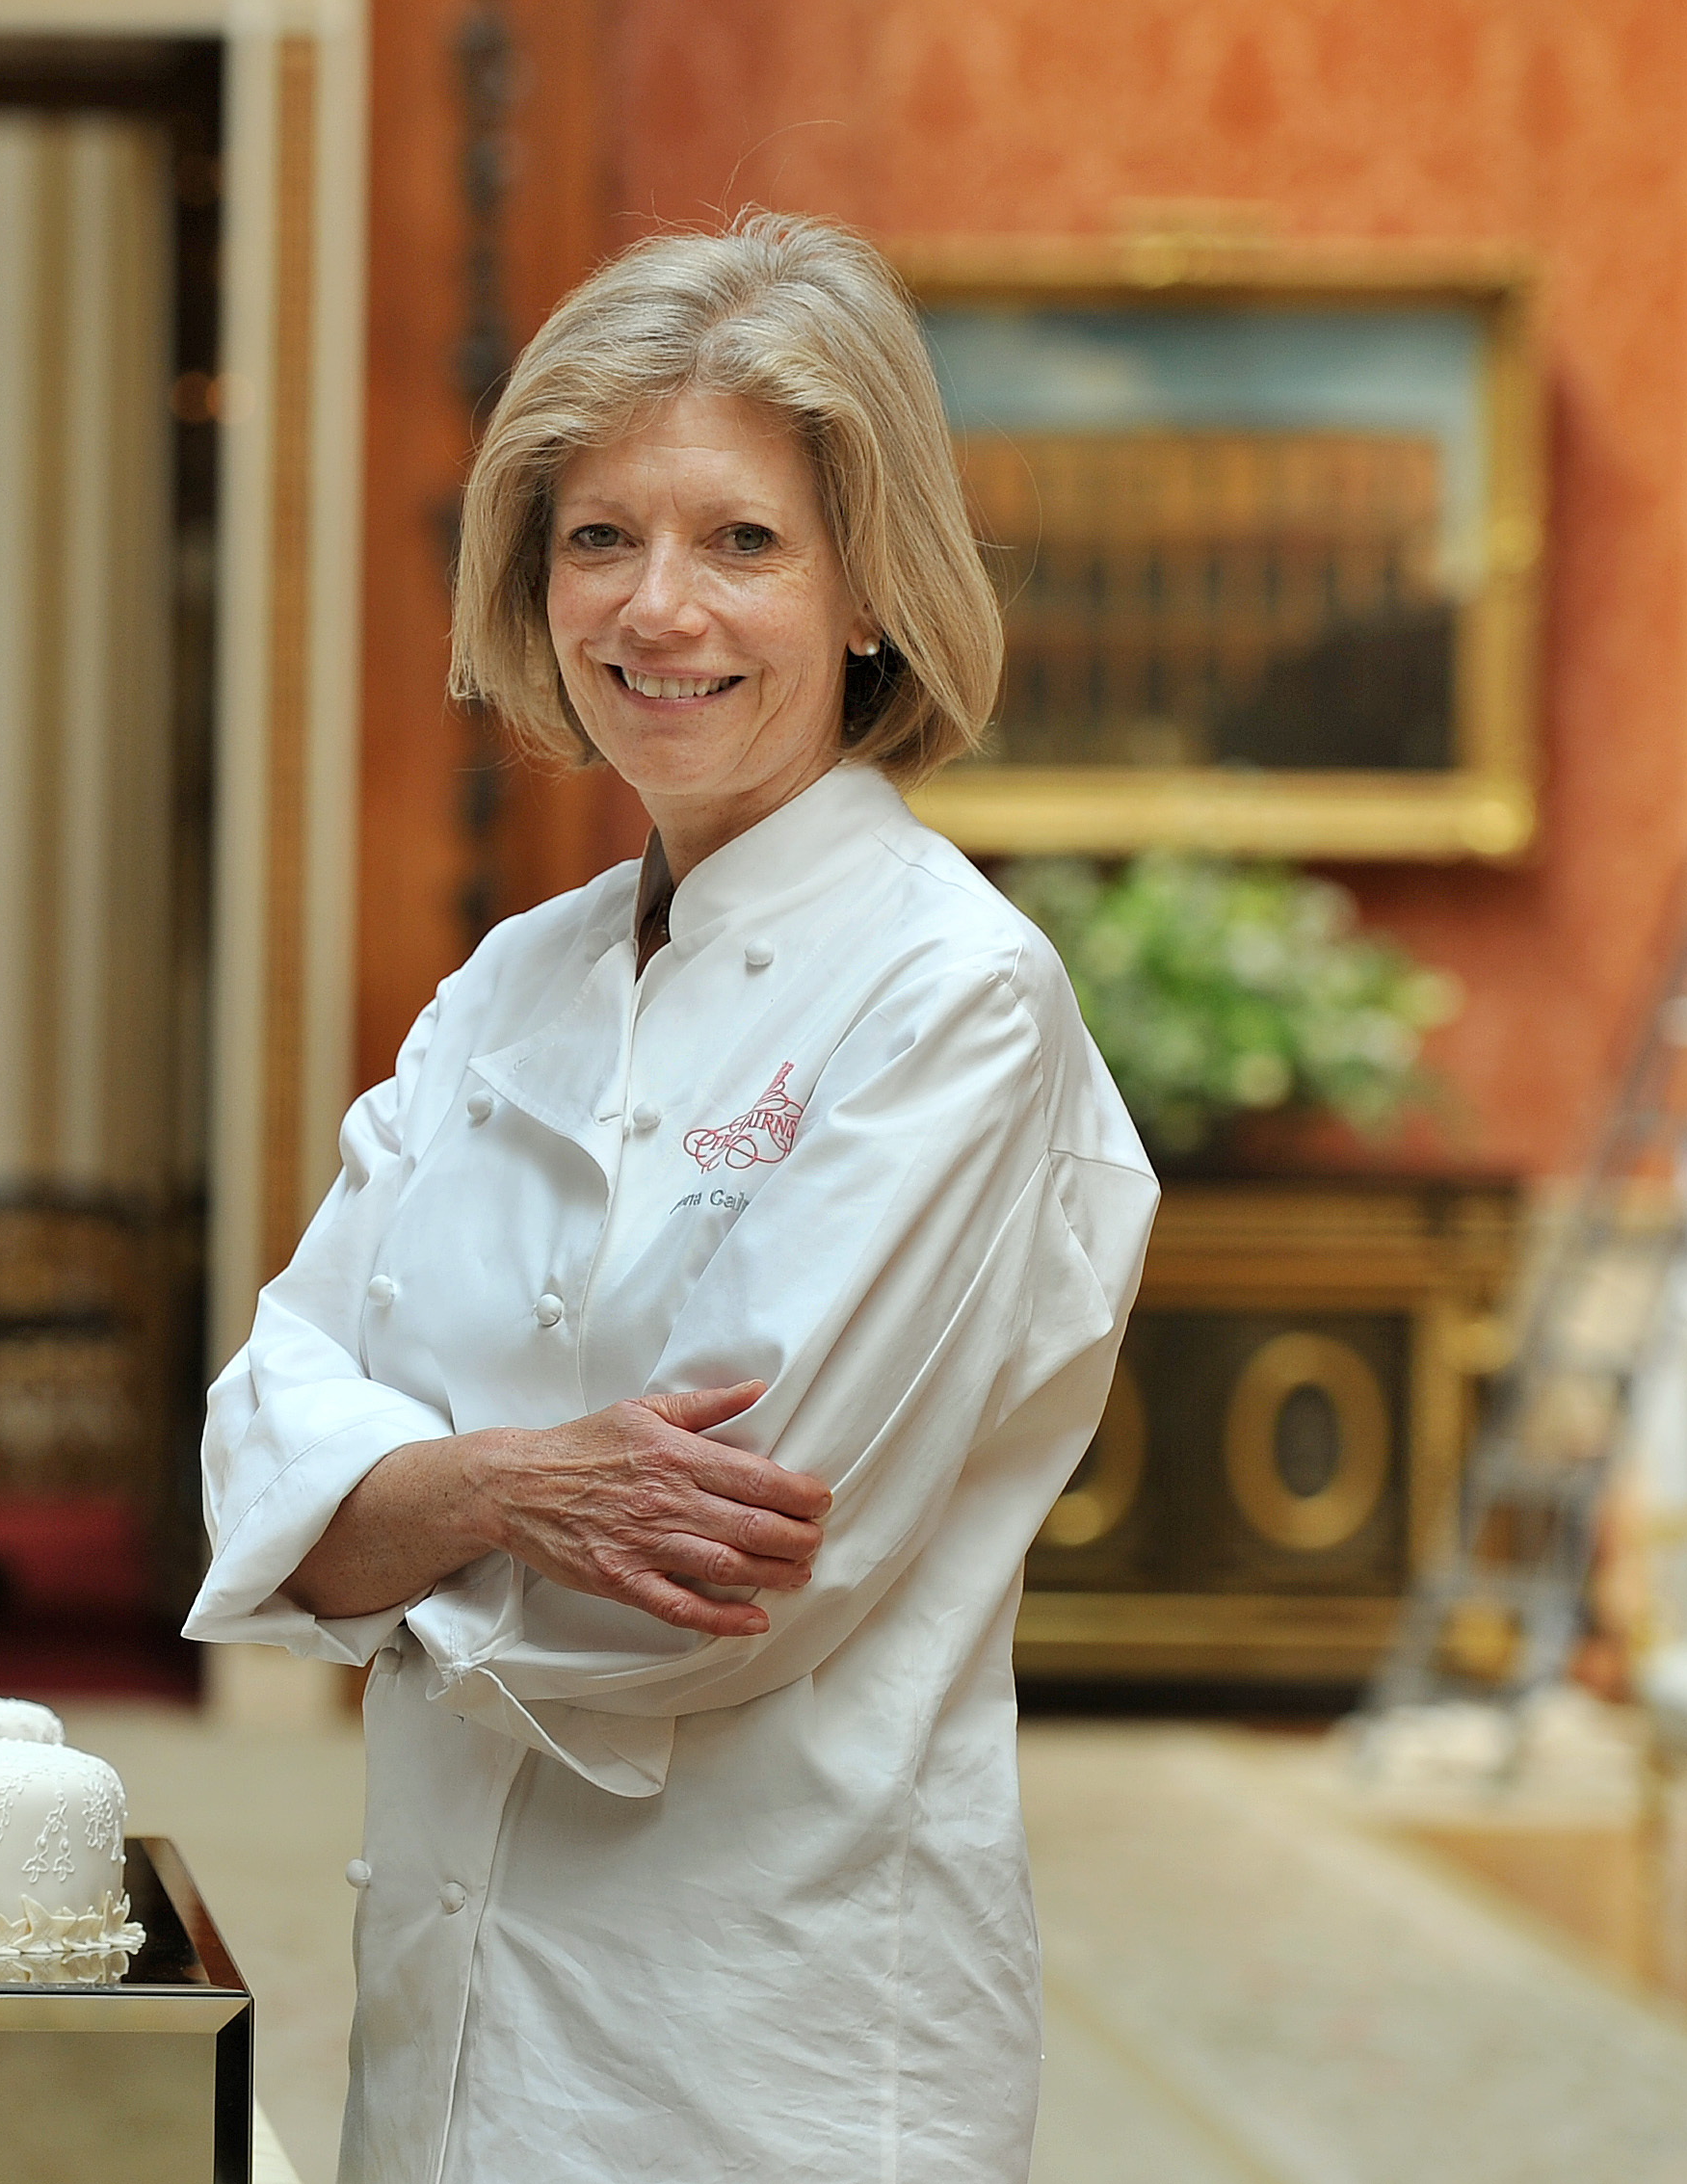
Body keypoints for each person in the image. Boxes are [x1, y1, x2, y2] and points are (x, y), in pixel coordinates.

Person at [187, 212, 1157, 2181]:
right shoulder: (508, 981)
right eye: (595, 537)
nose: (656, 610)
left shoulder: (951, 996)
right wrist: (509, 1488)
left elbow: (712, 1590)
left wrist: (385, 1514)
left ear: (867, 588)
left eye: (739, 541)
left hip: (767, 2046)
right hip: (443, 2013)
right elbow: (249, 1440)